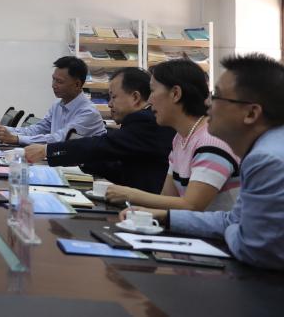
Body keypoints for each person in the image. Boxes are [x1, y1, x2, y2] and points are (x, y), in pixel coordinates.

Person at [121, 54, 284, 269]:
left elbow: (254, 249)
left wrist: (235, 230)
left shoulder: (267, 160)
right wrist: (166, 217)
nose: (207, 102)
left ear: (251, 113)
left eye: (217, 96)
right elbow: (232, 220)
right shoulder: (263, 150)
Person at [105, 58, 240, 213]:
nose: (149, 100)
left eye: (153, 91)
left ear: (175, 93)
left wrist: (131, 195)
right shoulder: (181, 137)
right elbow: (167, 198)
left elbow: (192, 205)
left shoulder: (211, 140)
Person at [23, 67, 174, 193]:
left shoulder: (145, 121)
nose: (109, 104)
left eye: (113, 97)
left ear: (135, 97)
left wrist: (47, 150)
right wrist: (80, 161)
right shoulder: (139, 121)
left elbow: (100, 145)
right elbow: (116, 166)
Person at [0, 56, 106, 145]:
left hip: (85, 169)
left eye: (59, 82)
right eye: (53, 79)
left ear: (77, 84)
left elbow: (59, 139)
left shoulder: (88, 112)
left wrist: (16, 139)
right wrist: (2, 129)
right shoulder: (58, 105)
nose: (53, 85)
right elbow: (37, 130)